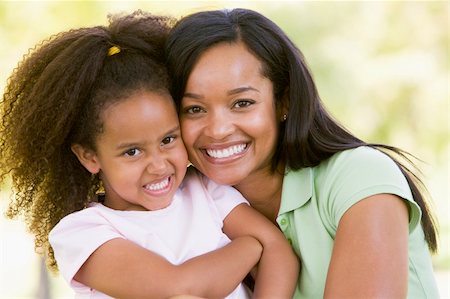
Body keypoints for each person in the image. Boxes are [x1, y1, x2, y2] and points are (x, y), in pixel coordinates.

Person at [0, 10, 299, 299]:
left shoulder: (202, 188)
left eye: (168, 139)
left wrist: (262, 248)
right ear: (90, 157)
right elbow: (179, 287)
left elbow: (279, 252)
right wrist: (249, 247)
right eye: (132, 151)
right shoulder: (84, 233)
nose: (158, 165)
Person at [164, 8, 440, 298]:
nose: (218, 129)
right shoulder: (183, 204)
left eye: (242, 103)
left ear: (284, 102)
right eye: (194, 109)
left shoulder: (359, 177)